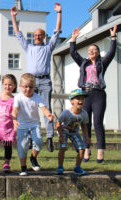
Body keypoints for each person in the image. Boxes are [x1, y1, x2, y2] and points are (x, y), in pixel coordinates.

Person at [10, 2, 62, 152]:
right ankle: (31, 135)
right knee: (28, 108)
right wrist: (14, 17)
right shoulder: (29, 47)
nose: (38, 37)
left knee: (46, 108)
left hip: (45, 81)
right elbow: (18, 34)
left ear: (44, 37)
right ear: (33, 37)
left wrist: (59, 13)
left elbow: (57, 31)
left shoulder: (48, 47)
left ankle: (50, 137)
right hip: (31, 82)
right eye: (35, 35)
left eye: (40, 35)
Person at [70, 25, 117, 163]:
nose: (91, 51)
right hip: (85, 95)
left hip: (99, 95)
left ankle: (101, 151)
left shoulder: (102, 63)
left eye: (94, 50)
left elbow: (112, 53)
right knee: (86, 123)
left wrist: (113, 37)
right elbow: (73, 53)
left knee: (97, 122)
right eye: (90, 50)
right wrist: (73, 39)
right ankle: (87, 150)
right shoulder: (83, 63)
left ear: (98, 52)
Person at [12, 73, 53, 176]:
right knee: (22, 147)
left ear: (34, 87)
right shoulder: (18, 97)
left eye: (31, 87)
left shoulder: (37, 97)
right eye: (25, 87)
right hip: (22, 125)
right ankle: (23, 168)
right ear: (20, 87)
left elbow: (43, 108)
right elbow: (15, 110)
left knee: (39, 141)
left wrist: (48, 115)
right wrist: (14, 119)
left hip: (34, 124)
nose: (28, 89)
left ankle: (33, 158)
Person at [56, 88, 91, 175]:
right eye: (78, 98)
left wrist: (86, 137)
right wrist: (60, 136)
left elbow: (83, 126)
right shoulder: (66, 113)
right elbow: (58, 124)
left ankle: (77, 167)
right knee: (63, 147)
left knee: (82, 148)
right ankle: (60, 166)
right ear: (72, 101)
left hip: (74, 132)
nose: (81, 101)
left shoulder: (84, 113)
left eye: (82, 98)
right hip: (63, 131)